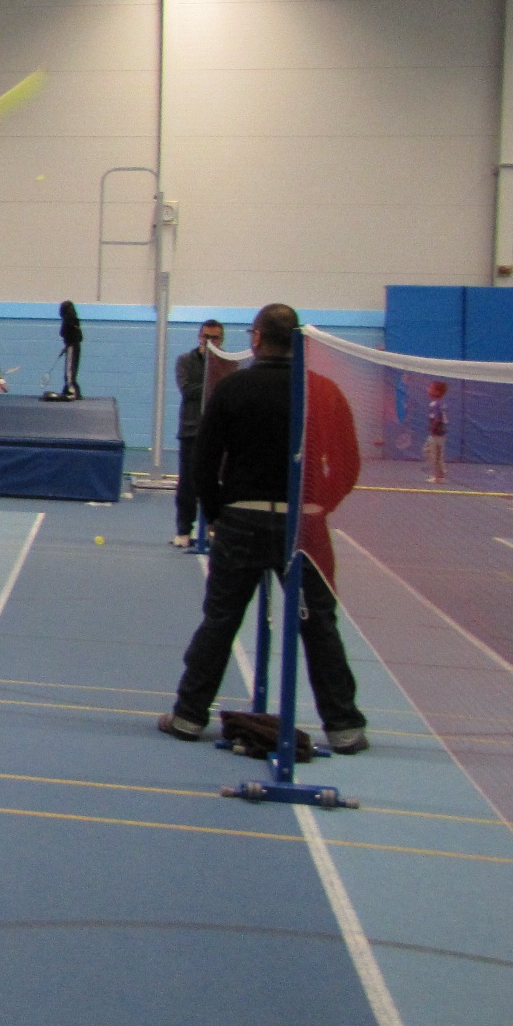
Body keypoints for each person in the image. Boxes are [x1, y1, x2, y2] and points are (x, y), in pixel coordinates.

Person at [158, 304, 369, 754]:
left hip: (242, 522)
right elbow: (348, 463)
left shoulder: (233, 388)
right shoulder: (324, 391)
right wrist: (318, 506)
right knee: (320, 627)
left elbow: (203, 461)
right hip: (305, 529)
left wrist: (219, 515)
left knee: (220, 620)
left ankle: (189, 718)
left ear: (255, 339)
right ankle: (344, 728)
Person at [172, 318, 226, 547]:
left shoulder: (228, 363)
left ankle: (216, 529)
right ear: (199, 337)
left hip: (220, 432)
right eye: (206, 337)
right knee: (188, 483)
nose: (210, 341)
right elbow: (187, 390)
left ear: (221, 340)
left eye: (215, 337)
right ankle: (184, 530)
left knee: (219, 482)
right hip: (191, 430)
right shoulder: (185, 361)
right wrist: (214, 381)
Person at [57, 300, 83, 400]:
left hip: (72, 346)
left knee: (69, 370)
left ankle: (72, 390)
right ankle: (68, 388)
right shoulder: (75, 320)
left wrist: (69, 345)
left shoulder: (68, 320)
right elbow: (79, 337)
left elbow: (64, 333)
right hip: (75, 346)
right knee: (72, 369)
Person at [425, 379, 449, 484]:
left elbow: (437, 418)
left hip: (437, 434)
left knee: (433, 453)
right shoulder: (437, 404)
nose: (428, 389)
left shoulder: (436, 404)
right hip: (440, 433)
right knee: (435, 453)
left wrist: (433, 429)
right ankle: (440, 475)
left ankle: (437, 476)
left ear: (437, 392)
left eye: (431, 388)